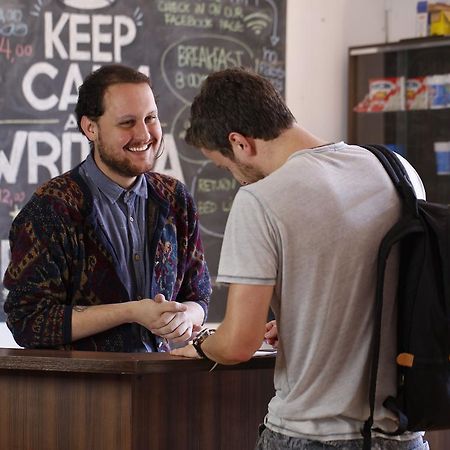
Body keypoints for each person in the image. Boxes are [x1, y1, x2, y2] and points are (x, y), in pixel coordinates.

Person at [171, 67, 429, 449]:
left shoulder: (261, 199)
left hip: (311, 435)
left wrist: (199, 344)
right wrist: (302, 325)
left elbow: (239, 343)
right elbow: (385, 290)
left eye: (225, 166)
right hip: (402, 433)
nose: (235, 179)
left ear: (240, 143)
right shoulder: (399, 171)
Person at [3, 64, 211, 352]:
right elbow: (28, 322)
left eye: (150, 118)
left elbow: (199, 296)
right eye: (127, 123)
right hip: (83, 393)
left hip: (161, 384)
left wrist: (185, 315)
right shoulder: (51, 209)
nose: (144, 134)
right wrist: (132, 311)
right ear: (91, 128)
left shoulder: (176, 198)